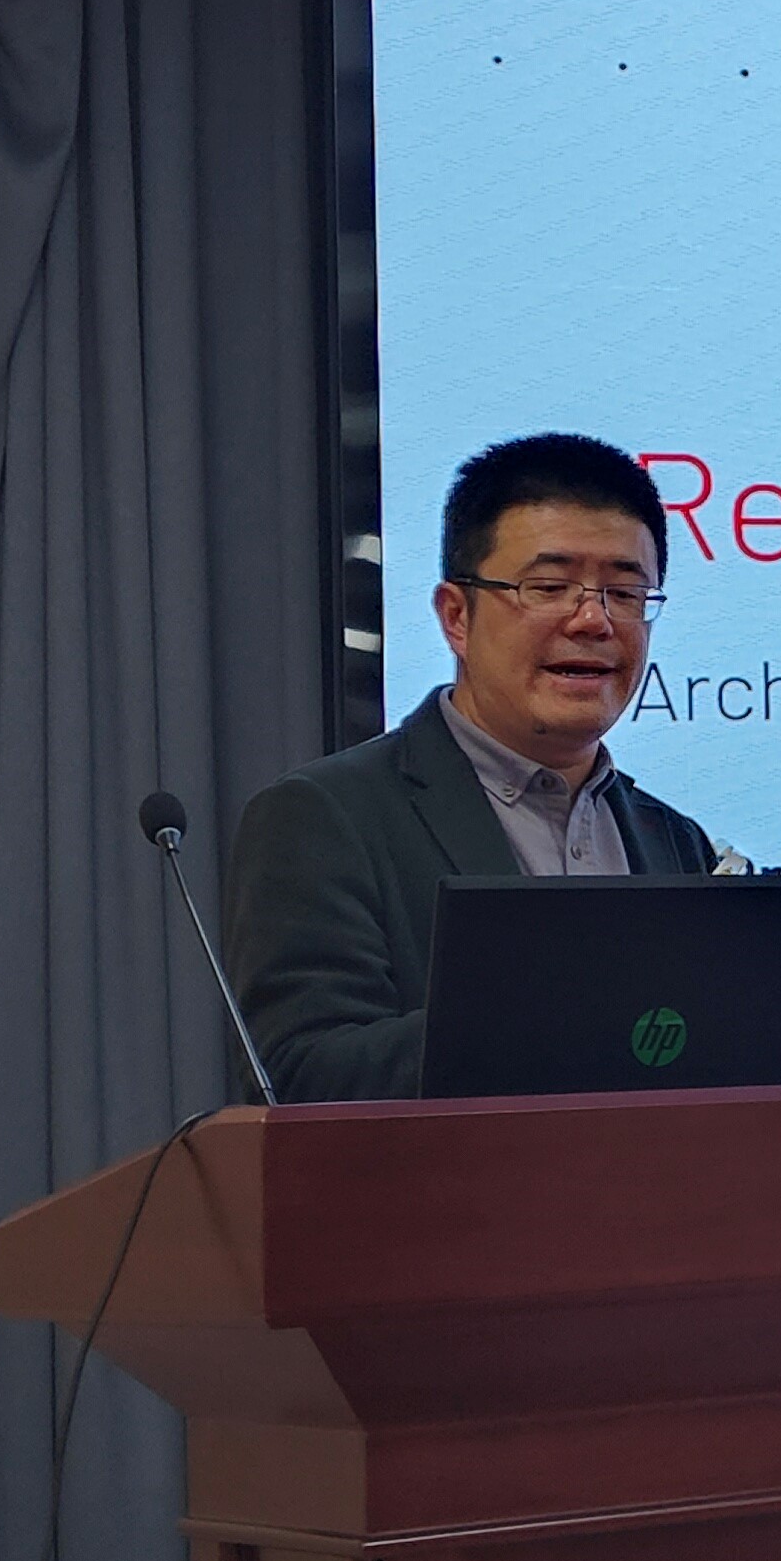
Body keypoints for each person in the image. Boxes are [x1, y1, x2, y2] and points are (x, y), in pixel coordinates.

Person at [227, 432, 721, 1101]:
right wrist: (563, 1011)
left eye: (626, 594)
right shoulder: (324, 817)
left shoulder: (675, 841)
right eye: (549, 587)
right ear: (456, 617)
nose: (593, 620)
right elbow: (301, 1076)